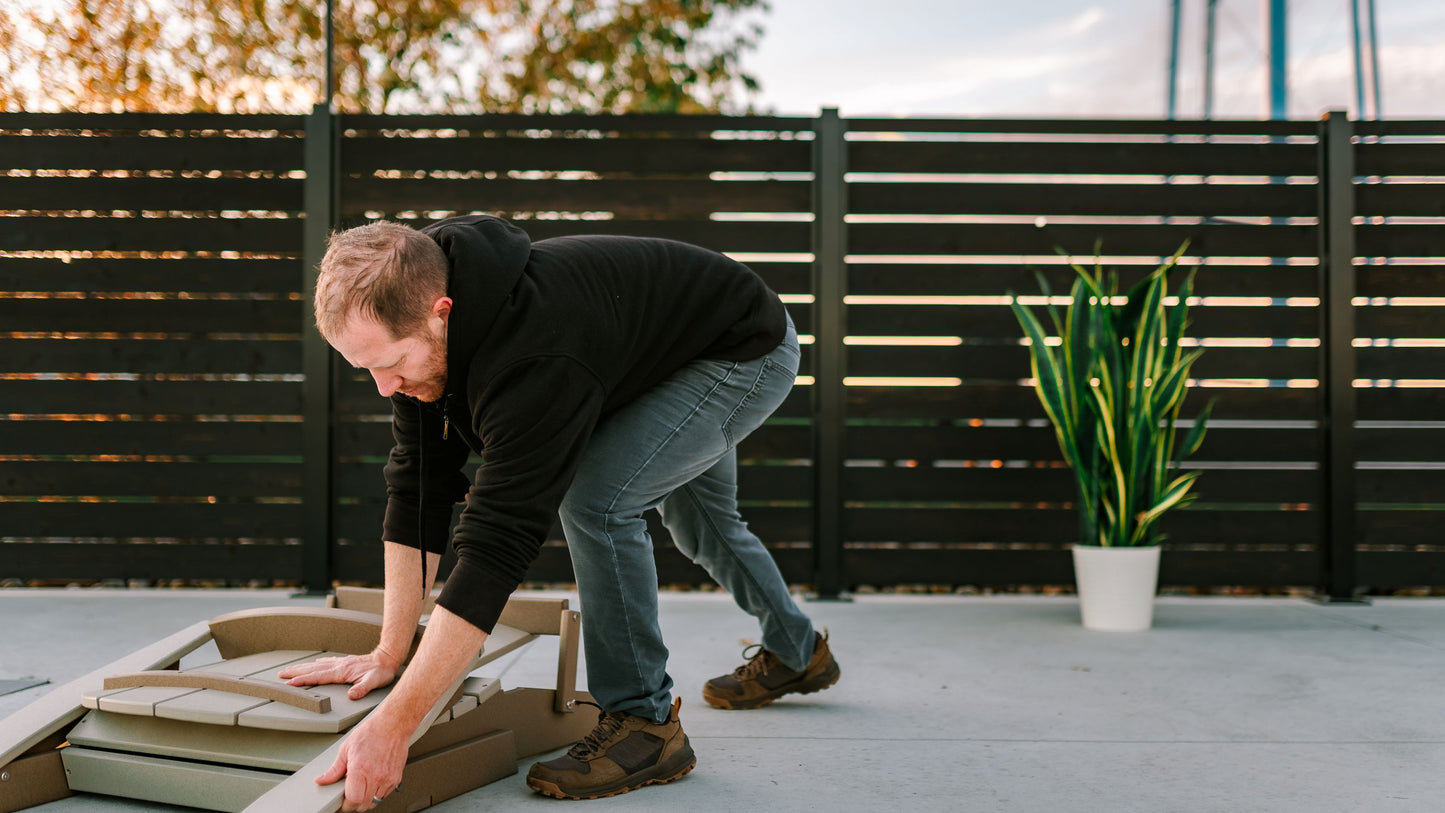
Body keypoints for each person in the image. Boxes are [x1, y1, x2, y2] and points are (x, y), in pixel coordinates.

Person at [279, 214, 841, 811]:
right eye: (362, 367)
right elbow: (419, 488)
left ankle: (644, 726)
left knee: (598, 502)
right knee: (701, 521)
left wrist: (396, 725)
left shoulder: (535, 356)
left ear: (441, 313)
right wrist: (392, 651)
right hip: (654, 349)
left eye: (388, 364)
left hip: (737, 350)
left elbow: (496, 542)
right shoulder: (416, 317)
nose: (383, 388)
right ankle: (798, 653)